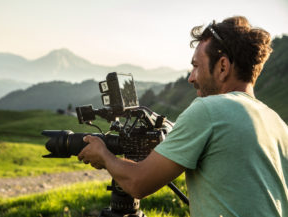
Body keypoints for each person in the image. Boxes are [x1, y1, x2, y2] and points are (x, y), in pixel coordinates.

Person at [78, 16, 288, 217]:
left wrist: (103, 155)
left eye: (196, 66)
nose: (191, 77)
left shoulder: (209, 109)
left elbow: (138, 183)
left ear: (223, 66)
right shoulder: (278, 124)